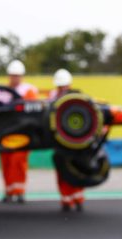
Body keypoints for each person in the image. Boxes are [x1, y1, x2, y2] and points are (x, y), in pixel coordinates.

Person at [0, 59, 38, 203]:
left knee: (19, 161)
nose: (14, 78)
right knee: (7, 162)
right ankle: (9, 191)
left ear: (21, 76)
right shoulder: (2, 92)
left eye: (17, 75)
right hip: (6, 133)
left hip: (22, 133)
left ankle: (19, 191)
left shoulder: (28, 90)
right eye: (12, 75)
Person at [48, 69, 85, 212]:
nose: (62, 89)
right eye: (60, 86)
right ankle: (66, 199)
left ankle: (78, 198)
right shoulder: (52, 98)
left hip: (75, 141)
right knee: (62, 169)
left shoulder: (77, 96)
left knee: (76, 168)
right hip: (59, 140)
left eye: (64, 86)